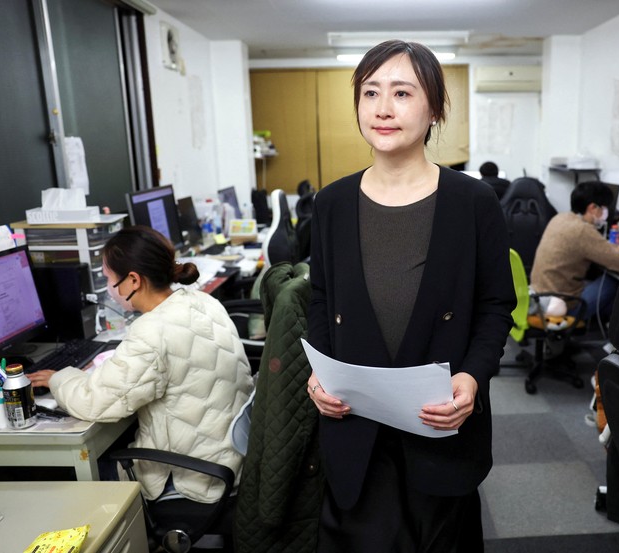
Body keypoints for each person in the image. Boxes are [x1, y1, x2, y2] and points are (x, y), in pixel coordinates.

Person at [305, 40, 515, 552]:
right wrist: (318, 373)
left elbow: (495, 306)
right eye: (370, 92)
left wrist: (471, 376)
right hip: (355, 424)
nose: (382, 108)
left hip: (439, 424)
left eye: (402, 93)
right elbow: (319, 298)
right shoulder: (331, 203)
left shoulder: (473, 203)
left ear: (435, 108)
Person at [27, 225, 254, 504]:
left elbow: (94, 402)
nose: (109, 288)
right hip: (231, 456)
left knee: (77, 476)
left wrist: (57, 379)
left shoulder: (152, 331)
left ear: (133, 280)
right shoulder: (202, 301)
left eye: (109, 278)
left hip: (194, 477)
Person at [530, 181, 619, 321]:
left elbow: (593, 249)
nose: (606, 212)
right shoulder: (583, 230)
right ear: (592, 208)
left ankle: (606, 328)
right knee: (616, 280)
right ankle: (613, 335)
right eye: (605, 208)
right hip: (562, 306)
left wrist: (616, 249)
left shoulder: (561, 218)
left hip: (539, 298)